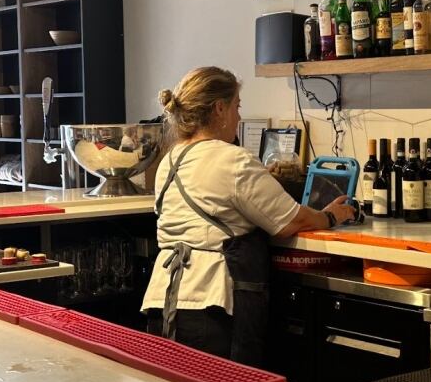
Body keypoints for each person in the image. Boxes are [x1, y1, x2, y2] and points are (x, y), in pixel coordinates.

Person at [141, 67, 355, 364]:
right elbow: (291, 221)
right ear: (219, 109)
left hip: (163, 302)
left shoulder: (171, 159)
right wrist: (330, 215)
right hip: (213, 307)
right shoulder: (232, 158)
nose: (239, 117)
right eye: (236, 106)